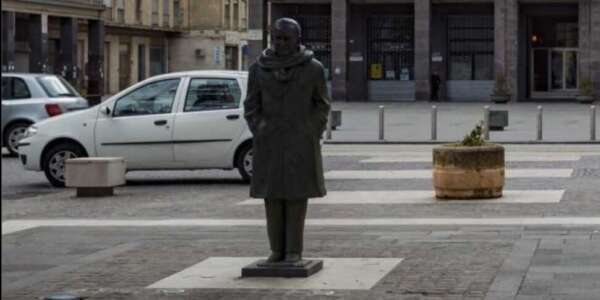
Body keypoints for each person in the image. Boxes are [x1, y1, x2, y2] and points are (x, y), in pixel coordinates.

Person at [244, 18, 330, 264]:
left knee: (296, 197)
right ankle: (276, 250)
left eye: (286, 38)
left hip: (300, 142)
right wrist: (259, 128)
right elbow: (251, 105)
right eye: (277, 38)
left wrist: (311, 130)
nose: (280, 43)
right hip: (269, 142)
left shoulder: (313, 69)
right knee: (271, 198)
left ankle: (294, 251)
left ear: (297, 40)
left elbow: (322, 105)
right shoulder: (258, 69)